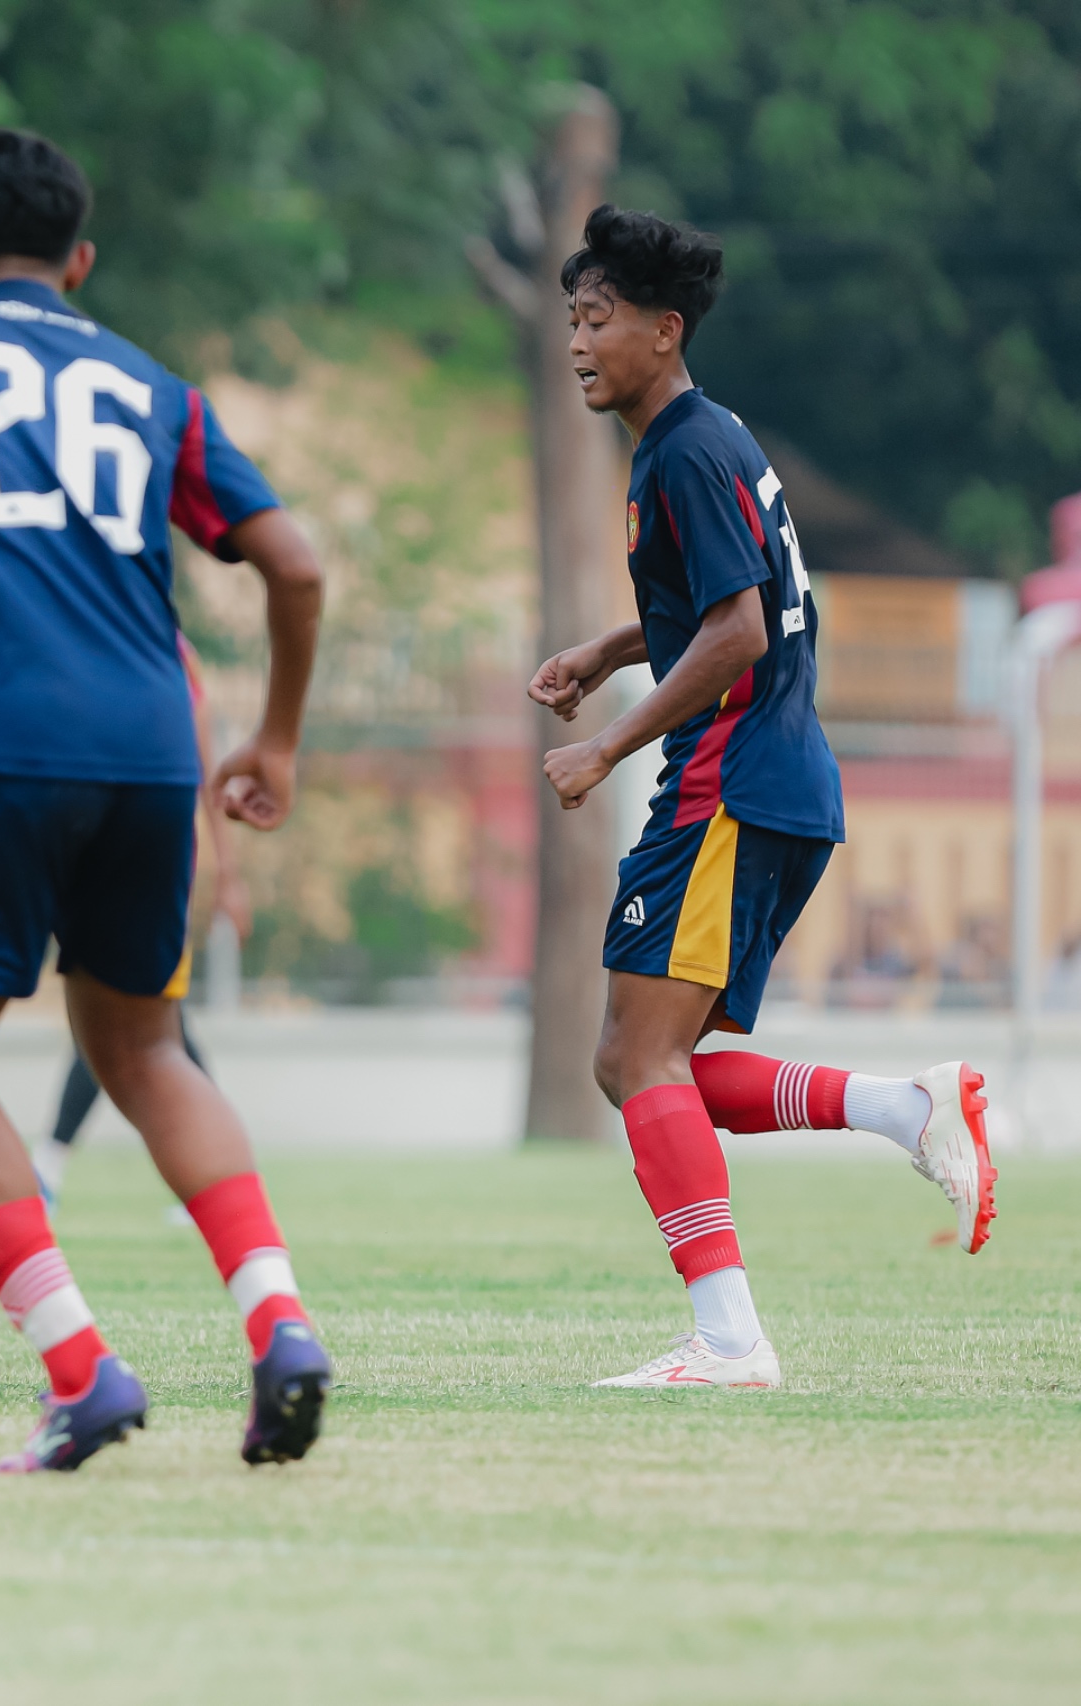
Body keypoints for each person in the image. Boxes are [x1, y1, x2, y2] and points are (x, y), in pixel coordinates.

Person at [0, 130, 331, 1473]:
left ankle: (82, 1370)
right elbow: (298, 563)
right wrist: (272, 738)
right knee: (146, 1048)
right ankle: (278, 1323)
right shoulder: (151, 381)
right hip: (157, 746)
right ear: (80, 261)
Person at [529, 206, 995, 1391]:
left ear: (662, 329)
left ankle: (731, 1339)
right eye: (569, 319)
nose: (576, 341)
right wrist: (603, 650)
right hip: (773, 781)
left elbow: (738, 629)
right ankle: (901, 1106)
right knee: (654, 1060)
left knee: (637, 1060)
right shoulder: (705, 439)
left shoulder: (682, 449)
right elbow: (723, 604)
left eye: (597, 319)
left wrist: (608, 743)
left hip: (727, 784)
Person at [31, 633, 247, 1216]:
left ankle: (52, 1169)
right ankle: (216, 1169)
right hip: (84, 851)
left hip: (147, 861)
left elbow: (205, 767)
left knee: (127, 1013)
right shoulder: (70, 633)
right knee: (143, 1018)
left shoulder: (168, 649)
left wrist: (228, 872)